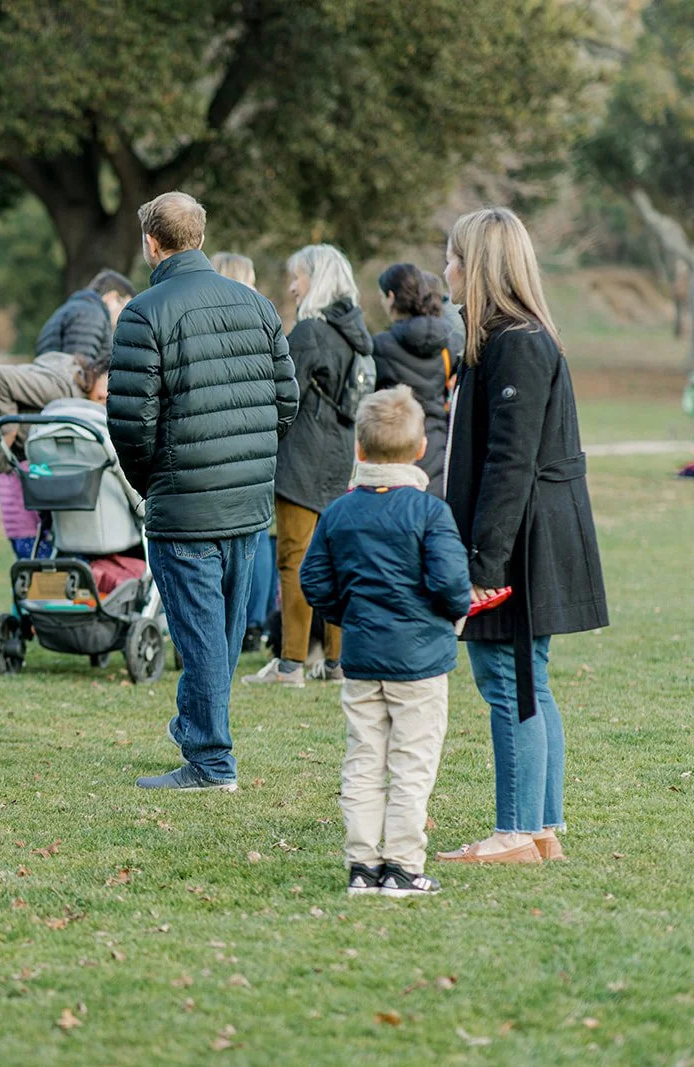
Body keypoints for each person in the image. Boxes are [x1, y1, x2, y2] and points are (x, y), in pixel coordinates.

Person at [107, 191, 298, 791]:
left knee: (202, 635)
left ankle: (212, 760)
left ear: (151, 242)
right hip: (242, 497)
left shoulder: (143, 312)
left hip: (185, 500)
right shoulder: (257, 305)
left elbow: (129, 424)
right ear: (201, 235)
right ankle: (198, 733)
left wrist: (151, 483)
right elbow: (285, 401)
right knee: (215, 633)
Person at [435, 207, 609, 866]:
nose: (445, 270)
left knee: (509, 681)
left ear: (477, 266)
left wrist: (482, 562)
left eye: (453, 258)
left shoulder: (517, 343)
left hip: (521, 542)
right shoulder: (501, 342)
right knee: (526, 680)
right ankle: (540, 828)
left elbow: (512, 462)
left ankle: (516, 831)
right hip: (520, 536)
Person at [299, 386, 471, 898]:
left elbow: (315, 581)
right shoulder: (430, 513)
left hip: (363, 658)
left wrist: (347, 616)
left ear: (359, 449)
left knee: (364, 759)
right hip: (420, 663)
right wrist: (448, 617)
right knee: (412, 764)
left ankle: (362, 864)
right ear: (420, 449)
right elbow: (451, 587)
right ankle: (401, 864)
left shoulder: (339, 513)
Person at [244, 243, 372, 688]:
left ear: (315, 279)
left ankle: (290, 665)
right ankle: (335, 662)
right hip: (338, 458)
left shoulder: (310, 333)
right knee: (334, 561)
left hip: (301, 461)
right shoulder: (354, 331)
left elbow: (281, 398)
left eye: (296, 277)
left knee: (294, 561)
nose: (292, 287)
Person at [0, 350, 109, 647]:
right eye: (107, 389)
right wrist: (7, 435)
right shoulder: (61, 385)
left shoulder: (77, 395)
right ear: (98, 372)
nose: (107, 398)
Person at [211, 251, 277, 650]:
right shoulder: (262, 319)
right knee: (255, 536)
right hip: (254, 445)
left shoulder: (205, 320)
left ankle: (222, 623)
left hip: (212, 445)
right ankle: (252, 622)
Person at [372, 264, 456, 495]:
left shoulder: (381, 346)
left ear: (391, 297)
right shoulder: (449, 342)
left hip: (396, 446)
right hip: (438, 443)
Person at [36, 269, 138, 361]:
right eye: (125, 308)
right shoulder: (91, 315)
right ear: (112, 297)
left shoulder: (75, 309)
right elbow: (79, 372)